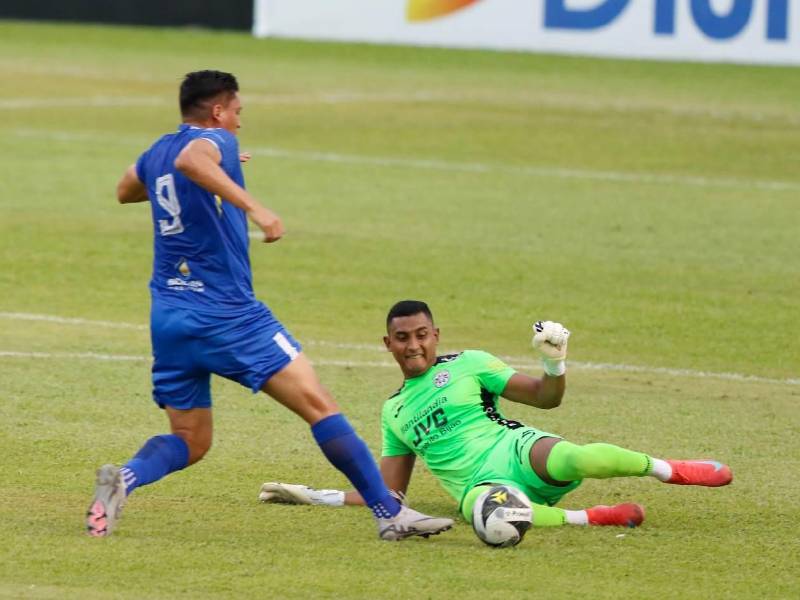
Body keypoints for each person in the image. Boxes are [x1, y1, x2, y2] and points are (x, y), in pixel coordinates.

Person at [86, 71, 453, 541]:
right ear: (218, 110)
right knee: (321, 406)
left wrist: (212, 175)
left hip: (170, 316)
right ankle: (389, 512)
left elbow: (126, 190)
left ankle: (126, 479)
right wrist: (254, 206)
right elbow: (194, 160)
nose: (239, 123)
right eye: (237, 112)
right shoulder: (208, 141)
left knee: (191, 440)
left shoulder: (158, 149)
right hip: (228, 315)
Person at [259, 300, 733, 530]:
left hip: (516, 450)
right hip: (479, 489)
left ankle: (670, 470)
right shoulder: (394, 411)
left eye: (421, 334)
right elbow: (390, 493)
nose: (414, 345)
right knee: (487, 516)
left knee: (577, 460)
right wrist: (312, 495)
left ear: (436, 334)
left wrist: (554, 362)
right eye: (402, 338)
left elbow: (546, 399)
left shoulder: (471, 363)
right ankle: (594, 517)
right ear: (388, 344)